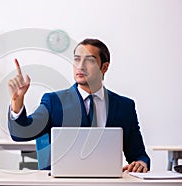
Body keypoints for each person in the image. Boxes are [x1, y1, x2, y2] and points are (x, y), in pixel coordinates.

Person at [8, 38, 150, 173]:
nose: (80, 66)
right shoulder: (54, 101)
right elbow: (21, 134)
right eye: (76, 59)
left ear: (104, 67)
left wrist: (141, 163)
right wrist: (17, 101)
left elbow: (138, 155)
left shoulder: (125, 106)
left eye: (90, 61)